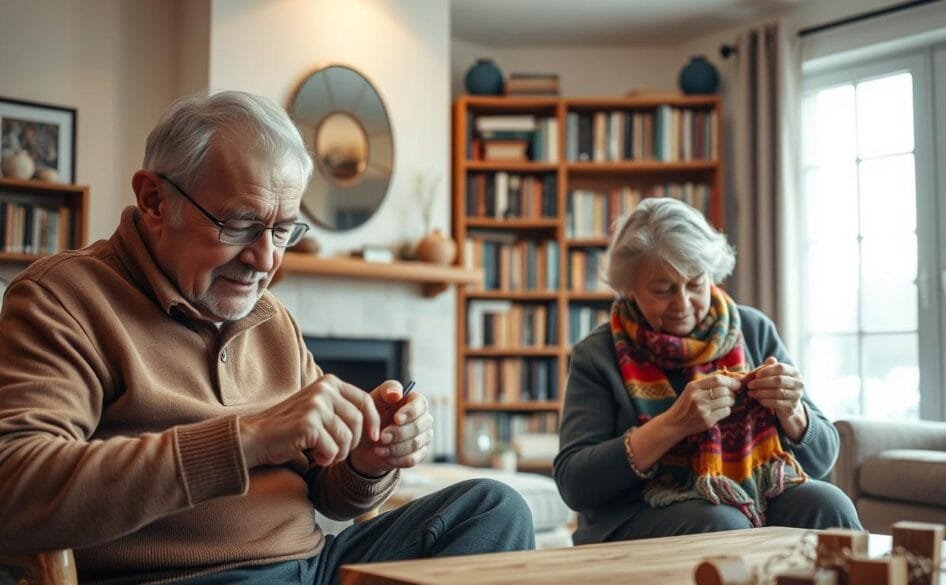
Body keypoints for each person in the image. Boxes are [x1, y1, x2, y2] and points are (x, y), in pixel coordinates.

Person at [0, 91, 533, 583]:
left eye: (284, 230)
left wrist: (367, 460)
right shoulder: (64, 298)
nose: (267, 259)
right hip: (189, 577)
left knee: (493, 508)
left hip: (312, 565)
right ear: (155, 201)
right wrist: (245, 437)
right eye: (239, 224)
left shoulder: (271, 318)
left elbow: (328, 494)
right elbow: (14, 489)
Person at [554, 197, 861, 545]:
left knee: (827, 503)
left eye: (695, 284)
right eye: (663, 290)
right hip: (633, 513)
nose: (683, 304)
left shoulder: (752, 329)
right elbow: (575, 484)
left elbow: (822, 459)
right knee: (719, 521)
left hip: (757, 493)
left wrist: (793, 412)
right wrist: (673, 424)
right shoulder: (598, 354)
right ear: (629, 288)